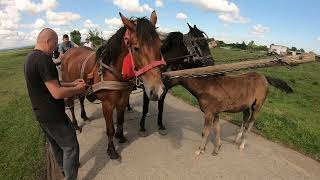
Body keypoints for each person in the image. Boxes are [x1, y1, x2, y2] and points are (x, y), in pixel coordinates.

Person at [24, 28, 86, 180]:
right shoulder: (44, 60)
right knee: (71, 147)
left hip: (41, 114)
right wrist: (77, 90)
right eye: (55, 43)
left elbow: (52, 83)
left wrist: (72, 83)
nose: (56, 47)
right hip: (53, 115)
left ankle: (64, 171)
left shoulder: (30, 58)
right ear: (48, 41)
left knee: (57, 146)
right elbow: (57, 93)